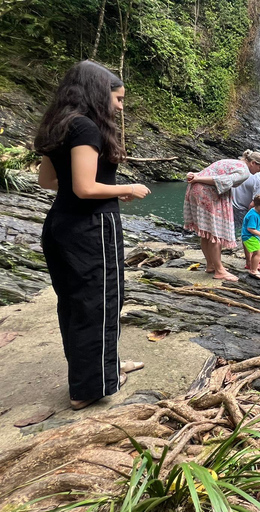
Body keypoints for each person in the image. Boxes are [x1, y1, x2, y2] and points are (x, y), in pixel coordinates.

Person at [35, 60, 151, 410]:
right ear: (99, 95)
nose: (120, 106)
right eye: (118, 99)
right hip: (91, 228)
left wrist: (104, 189)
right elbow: (86, 188)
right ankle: (89, 388)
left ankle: (104, 367)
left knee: (74, 302)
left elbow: (48, 182)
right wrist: (124, 187)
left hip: (60, 224)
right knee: (98, 301)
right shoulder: (85, 128)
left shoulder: (59, 125)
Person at [183, 150, 260, 282]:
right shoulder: (244, 171)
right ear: (253, 163)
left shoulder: (231, 162)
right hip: (207, 192)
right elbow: (222, 180)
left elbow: (206, 171)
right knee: (216, 233)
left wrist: (195, 177)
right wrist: (197, 178)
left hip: (195, 190)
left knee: (207, 232)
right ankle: (219, 271)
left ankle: (211, 265)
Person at [241, 193, 260, 279]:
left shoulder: (255, 211)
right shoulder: (254, 215)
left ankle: (250, 264)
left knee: (253, 252)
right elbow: (250, 229)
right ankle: (253, 270)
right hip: (249, 236)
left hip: (248, 236)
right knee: (258, 252)